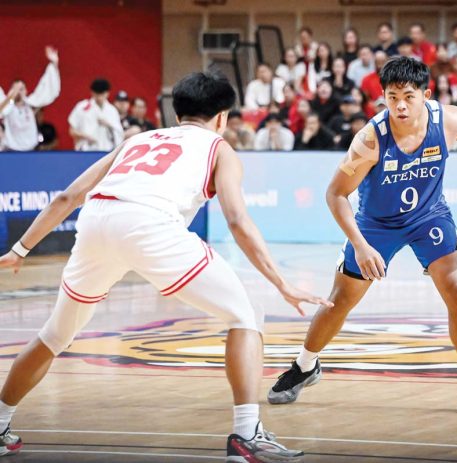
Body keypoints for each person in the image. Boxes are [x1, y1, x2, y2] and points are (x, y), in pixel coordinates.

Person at [0, 71, 330, 461]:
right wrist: (281, 283)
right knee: (246, 314)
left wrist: (20, 249)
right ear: (222, 118)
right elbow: (238, 221)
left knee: (54, 335)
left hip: (97, 219)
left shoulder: (136, 139)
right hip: (150, 224)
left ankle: (1, 421)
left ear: (177, 115)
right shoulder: (220, 148)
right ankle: (247, 435)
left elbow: (69, 196)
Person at [266, 56, 457, 416]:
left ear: (425, 94)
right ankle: (304, 365)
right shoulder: (370, 139)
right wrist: (362, 246)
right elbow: (335, 194)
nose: (399, 105)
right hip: (376, 224)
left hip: (428, 216)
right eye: (392, 96)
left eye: (408, 96)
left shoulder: (448, 121)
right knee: (341, 299)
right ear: (382, 96)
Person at [0, 46, 60, 151]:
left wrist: (54, 63)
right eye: (16, 88)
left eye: (22, 88)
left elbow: (47, 90)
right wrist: (11, 97)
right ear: (10, 90)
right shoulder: (7, 107)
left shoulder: (31, 105)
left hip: (31, 150)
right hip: (10, 150)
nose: (19, 91)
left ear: (26, 91)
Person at [68, 78, 123, 151]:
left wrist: (109, 125)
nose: (100, 97)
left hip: (107, 151)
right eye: (97, 94)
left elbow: (120, 132)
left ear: (107, 93)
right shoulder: (82, 107)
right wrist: (85, 136)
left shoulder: (112, 110)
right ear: (92, 92)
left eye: (102, 94)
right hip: (86, 150)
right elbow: (72, 131)